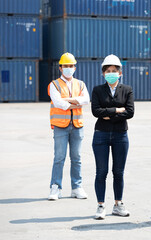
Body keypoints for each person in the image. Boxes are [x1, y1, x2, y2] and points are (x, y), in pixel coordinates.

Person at [91, 54, 134, 220]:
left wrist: (107, 113)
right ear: (103, 73)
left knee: (118, 171)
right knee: (101, 171)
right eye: (108, 71)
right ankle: (101, 205)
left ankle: (118, 204)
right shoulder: (97, 90)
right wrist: (117, 110)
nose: (111, 73)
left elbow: (130, 112)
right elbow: (96, 111)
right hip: (100, 135)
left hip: (120, 135)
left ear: (120, 73)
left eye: (114, 70)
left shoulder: (127, 90)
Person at [48, 52, 90, 200]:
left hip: (77, 125)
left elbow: (86, 100)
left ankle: (76, 187)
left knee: (77, 157)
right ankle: (55, 188)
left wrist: (68, 101)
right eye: (66, 66)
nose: (68, 68)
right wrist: (76, 102)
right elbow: (59, 103)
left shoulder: (81, 84)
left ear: (75, 67)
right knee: (59, 158)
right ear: (60, 68)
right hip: (60, 126)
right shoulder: (54, 85)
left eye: (71, 66)